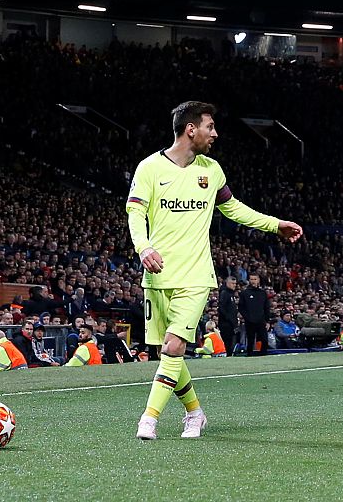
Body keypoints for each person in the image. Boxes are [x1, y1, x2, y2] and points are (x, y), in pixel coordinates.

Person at [128, 100, 302, 441]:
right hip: (157, 275)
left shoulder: (212, 170)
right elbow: (135, 213)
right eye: (210, 127)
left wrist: (274, 224)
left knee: (175, 346)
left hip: (194, 276)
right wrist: (144, 247)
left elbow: (234, 209)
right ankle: (195, 414)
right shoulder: (149, 168)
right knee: (167, 350)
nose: (215, 133)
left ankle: (149, 418)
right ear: (191, 129)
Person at [238, 273, 271, 357]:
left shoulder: (263, 293)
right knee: (250, 340)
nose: (253, 281)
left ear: (258, 280)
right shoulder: (244, 293)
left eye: (255, 279)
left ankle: (263, 355)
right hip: (250, 321)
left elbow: (266, 307)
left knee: (264, 339)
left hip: (261, 321)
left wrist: (267, 321)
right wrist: (247, 317)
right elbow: (241, 307)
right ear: (249, 280)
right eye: (251, 279)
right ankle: (249, 355)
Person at [216, 275, 240, 357]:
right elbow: (221, 308)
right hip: (226, 324)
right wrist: (228, 318)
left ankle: (229, 355)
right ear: (228, 283)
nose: (234, 285)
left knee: (230, 343)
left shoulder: (230, 294)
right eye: (232, 283)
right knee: (227, 342)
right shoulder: (224, 293)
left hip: (231, 323)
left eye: (235, 283)